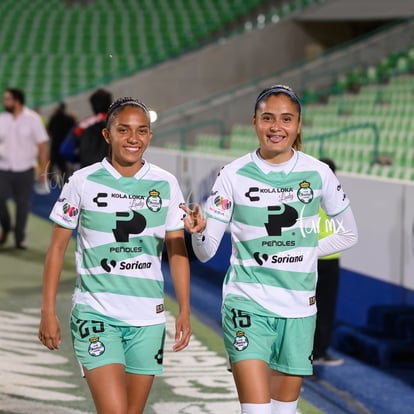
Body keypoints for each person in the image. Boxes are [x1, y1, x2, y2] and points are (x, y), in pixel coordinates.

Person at [181, 85, 358, 414]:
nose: (277, 127)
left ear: (299, 125)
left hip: (299, 311)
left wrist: (304, 250)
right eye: (268, 118)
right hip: (248, 305)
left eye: (286, 119)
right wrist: (198, 232)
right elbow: (205, 253)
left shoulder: (319, 173)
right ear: (254, 122)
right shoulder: (232, 175)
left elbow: (349, 234)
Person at [38, 97, 192, 413]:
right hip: (95, 313)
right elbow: (56, 248)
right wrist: (47, 310)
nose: (133, 139)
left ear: (150, 136)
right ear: (107, 135)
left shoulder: (166, 183)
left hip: (148, 317)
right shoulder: (82, 181)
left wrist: (185, 310)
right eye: (123, 130)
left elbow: (177, 251)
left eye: (141, 131)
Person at [0, 87, 49, 249]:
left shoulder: (33, 119)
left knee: (23, 204)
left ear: (17, 101)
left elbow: (42, 145)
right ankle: (6, 227)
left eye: (7, 99)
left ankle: (19, 238)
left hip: (26, 169)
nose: (4, 102)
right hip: (4, 168)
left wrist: (43, 170)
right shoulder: (2, 119)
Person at [313, 158, 343, 366]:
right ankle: (312, 355)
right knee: (316, 310)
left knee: (322, 309)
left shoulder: (335, 195)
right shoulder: (311, 195)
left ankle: (319, 353)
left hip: (327, 258)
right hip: (316, 258)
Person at [60, 88, 112, 171]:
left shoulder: (82, 126)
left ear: (92, 105)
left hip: (88, 172)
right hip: (113, 173)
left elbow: (65, 150)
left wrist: (80, 158)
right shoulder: (118, 124)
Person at [47, 101, 76, 178]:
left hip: (55, 144)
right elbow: (74, 130)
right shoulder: (68, 118)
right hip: (64, 144)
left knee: (52, 164)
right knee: (63, 165)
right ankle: (65, 182)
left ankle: (49, 181)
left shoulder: (54, 118)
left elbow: (49, 130)